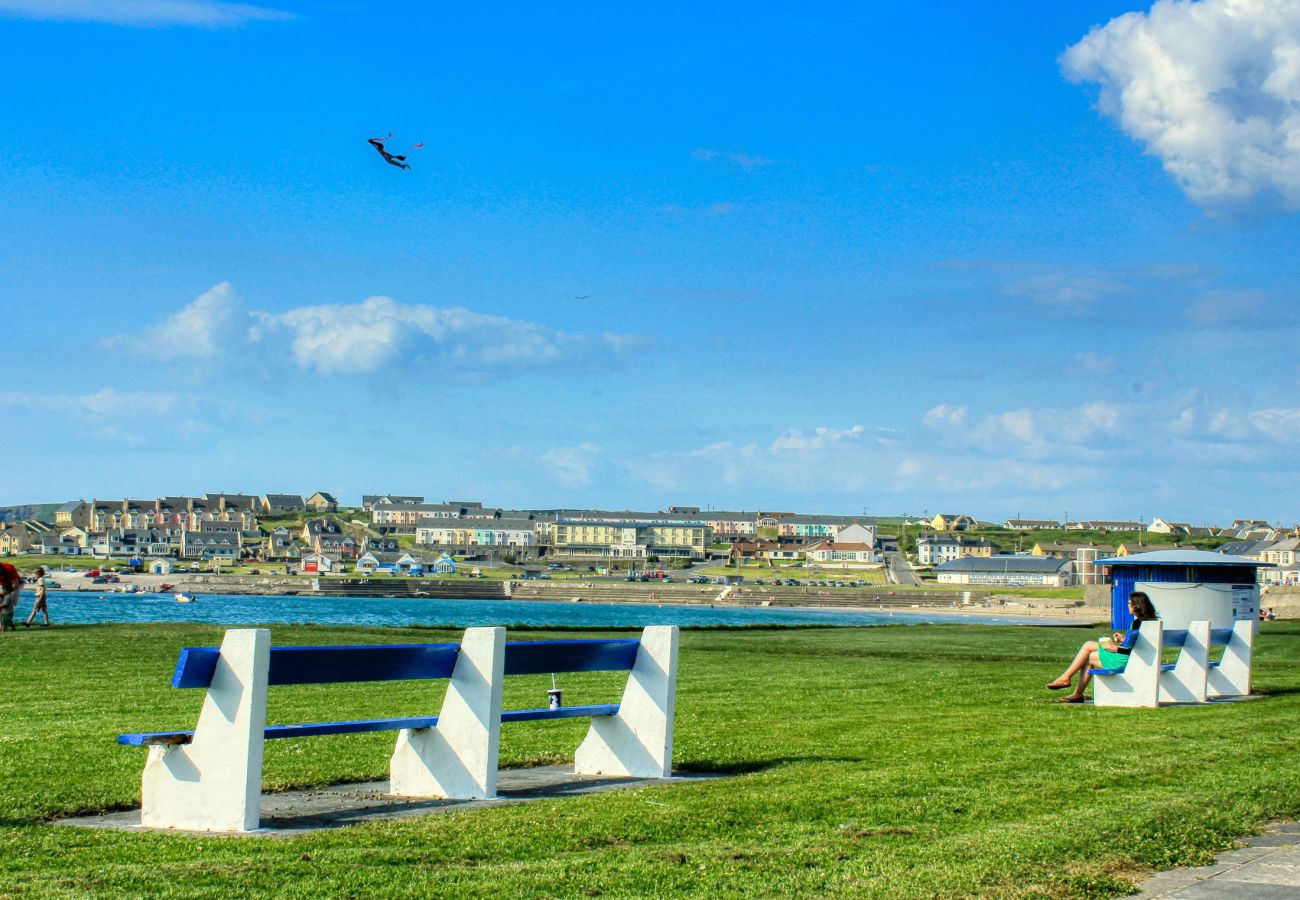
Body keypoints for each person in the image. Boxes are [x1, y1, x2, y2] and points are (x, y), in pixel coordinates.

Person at [1045, 591, 1159, 703]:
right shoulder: (1150, 622)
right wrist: (1124, 639)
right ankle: (1073, 689)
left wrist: (1116, 648)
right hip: (1138, 659)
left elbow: (1132, 650)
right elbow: (1140, 646)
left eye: (1130, 604)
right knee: (1090, 654)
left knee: (1088, 647)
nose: (1128, 606)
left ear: (1137, 606)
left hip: (1126, 661)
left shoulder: (1137, 623)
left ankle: (1068, 680)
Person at [0, 561, 19, 632]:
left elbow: (15, 584)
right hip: (5, 587)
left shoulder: (9, 568)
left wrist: (5, 593)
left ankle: (3, 629)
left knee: (5, 621)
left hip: (11, 585)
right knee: (7, 620)